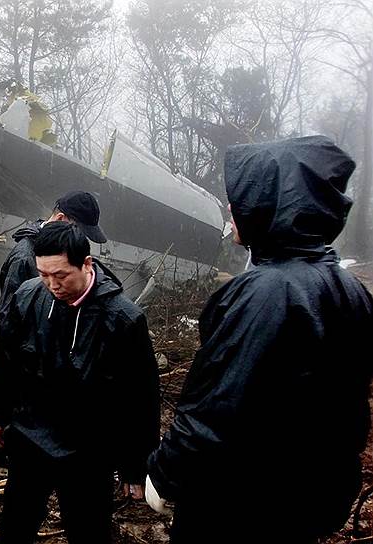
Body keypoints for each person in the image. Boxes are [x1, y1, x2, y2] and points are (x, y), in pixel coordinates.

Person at [145, 136, 373, 543]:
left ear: (271, 204)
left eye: (240, 197)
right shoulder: (347, 287)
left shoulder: (264, 293)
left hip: (242, 505)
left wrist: (165, 472)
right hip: (308, 499)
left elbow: (218, 408)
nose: (231, 208)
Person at [0, 221, 160, 543]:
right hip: (31, 435)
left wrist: (135, 466)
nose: (52, 284)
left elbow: (142, 399)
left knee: (88, 532)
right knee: (15, 526)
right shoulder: (28, 297)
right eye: (43, 274)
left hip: (89, 449)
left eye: (61, 275)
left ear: (86, 265)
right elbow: (7, 357)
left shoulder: (122, 319)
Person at [0, 191, 108, 320]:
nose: (80, 240)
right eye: (78, 231)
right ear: (60, 219)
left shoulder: (58, 251)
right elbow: (8, 315)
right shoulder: (25, 257)